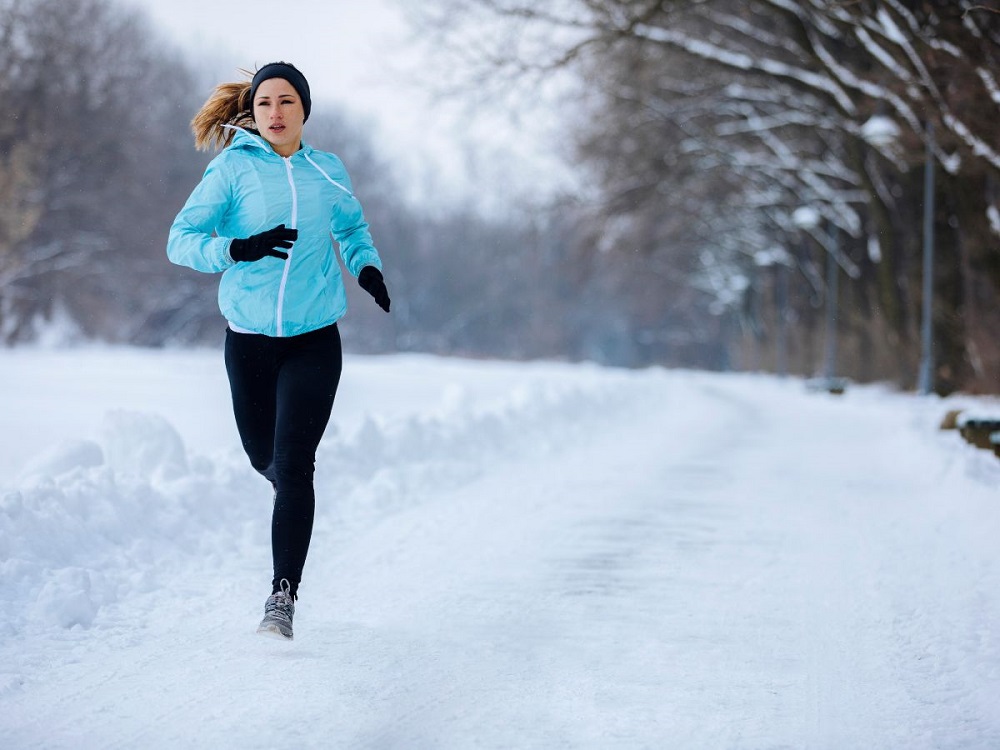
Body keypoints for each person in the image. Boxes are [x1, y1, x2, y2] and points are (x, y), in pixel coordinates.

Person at [167, 62, 391, 641]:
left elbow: (353, 230)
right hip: (249, 343)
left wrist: (366, 268)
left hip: (316, 339)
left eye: (287, 101)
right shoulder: (233, 169)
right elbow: (180, 240)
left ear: (303, 109)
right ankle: (288, 492)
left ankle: (281, 597)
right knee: (263, 457)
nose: (275, 112)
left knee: (295, 466)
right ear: (254, 109)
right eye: (265, 102)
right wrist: (237, 248)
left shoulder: (327, 170)